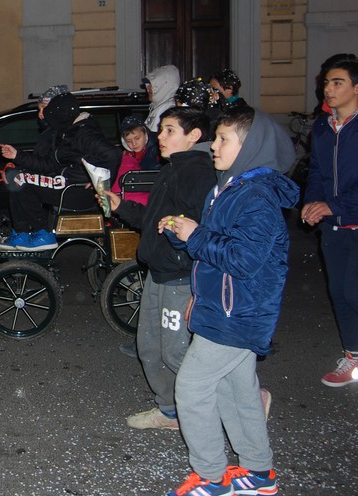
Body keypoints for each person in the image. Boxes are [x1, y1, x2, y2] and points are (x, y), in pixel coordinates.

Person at [159, 107, 297, 496]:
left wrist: (194, 234)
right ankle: (258, 473)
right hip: (225, 306)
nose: (213, 146)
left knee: (191, 388)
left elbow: (244, 260)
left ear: (251, 147)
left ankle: (210, 478)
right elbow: (212, 251)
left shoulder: (256, 196)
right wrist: (179, 232)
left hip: (238, 312)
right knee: (235, 391)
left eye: (223, 140)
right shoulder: (230, 187)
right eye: (215, 137)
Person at [100, 107, 216, 431]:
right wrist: (120, 205)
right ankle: (170, 412)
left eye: (169, 131)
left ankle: (230, 402)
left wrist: (198, 282)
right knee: (149, 347)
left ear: (193, 136)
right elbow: (152, 222)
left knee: (177, 353)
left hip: (180, 277)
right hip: (157, 273)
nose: (159, 137)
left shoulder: (198, 173)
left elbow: (203, 231)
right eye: (160, 130)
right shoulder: (170, 168)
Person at [0, 89, 121, 251]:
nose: (43, 116)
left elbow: (113, 154)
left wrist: (100, 182)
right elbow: (49, 163)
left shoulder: (83, 133)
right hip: (67, 183)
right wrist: (17, 156)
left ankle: (42, 233)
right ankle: (23, 233)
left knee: (20, 179)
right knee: (17, 177)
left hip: (75, 190)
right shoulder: (66, 132)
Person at [301, 57, 358, 387]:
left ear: (355, 87)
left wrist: (331, 205)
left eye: (337, 82)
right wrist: (312, 202)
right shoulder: (323, 126)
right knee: (339, 292)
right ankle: (353, 358)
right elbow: (318, 171)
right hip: (333, 226)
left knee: (353, 291)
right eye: (326, 82)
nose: (329, 88)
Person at [112, 114, 161, 207]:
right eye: (129, 141)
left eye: (137, 138)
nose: (134, 144)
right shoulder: (131, 154)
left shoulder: (157, 147)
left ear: (146, 133)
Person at [143, 65, 180, 133]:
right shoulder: (158, 108)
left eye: (152, 84)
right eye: (147, 84)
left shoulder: (169, 112)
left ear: (165, 85)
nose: (148, 88)